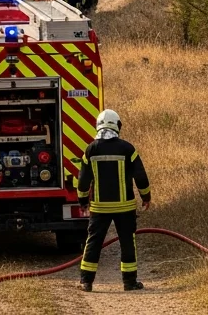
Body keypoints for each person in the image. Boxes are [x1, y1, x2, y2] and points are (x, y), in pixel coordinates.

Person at [76, 108, 151, 292]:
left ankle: (86, 282)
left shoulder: (91, 149)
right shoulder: (127, 148)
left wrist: (83, 201)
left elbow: (83, 180)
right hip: (125, 208)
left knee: (93, 242)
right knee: (127, 242)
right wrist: (146, 196)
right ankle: (129, 282)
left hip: (100, 208)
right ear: (117, 125)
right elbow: (140, 176)